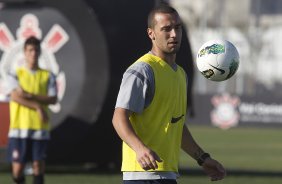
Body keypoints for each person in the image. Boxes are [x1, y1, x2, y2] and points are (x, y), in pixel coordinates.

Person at [112, 4, 226, 184]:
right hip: (142, 177)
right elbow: (119, 118)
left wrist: (202, 159)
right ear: (151, 33)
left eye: (178, 28)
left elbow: (177, 125)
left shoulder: (180, 74)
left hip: (168, 175)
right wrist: (140, 149)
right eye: (166, 29)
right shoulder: (142, 71)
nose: (174, 34)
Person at [6, 36, 57, 184]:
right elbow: (15, 97)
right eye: (30, 50)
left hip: (40, 127)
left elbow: (53, 99)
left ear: (40, 52)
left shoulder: (48, 75)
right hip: (19, 127)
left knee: (38, 165)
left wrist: (30, 95)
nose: (33, 53)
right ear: (24, 52)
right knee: (17, 169)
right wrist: (37, 106)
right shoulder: (15, 74)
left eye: (36, 50)